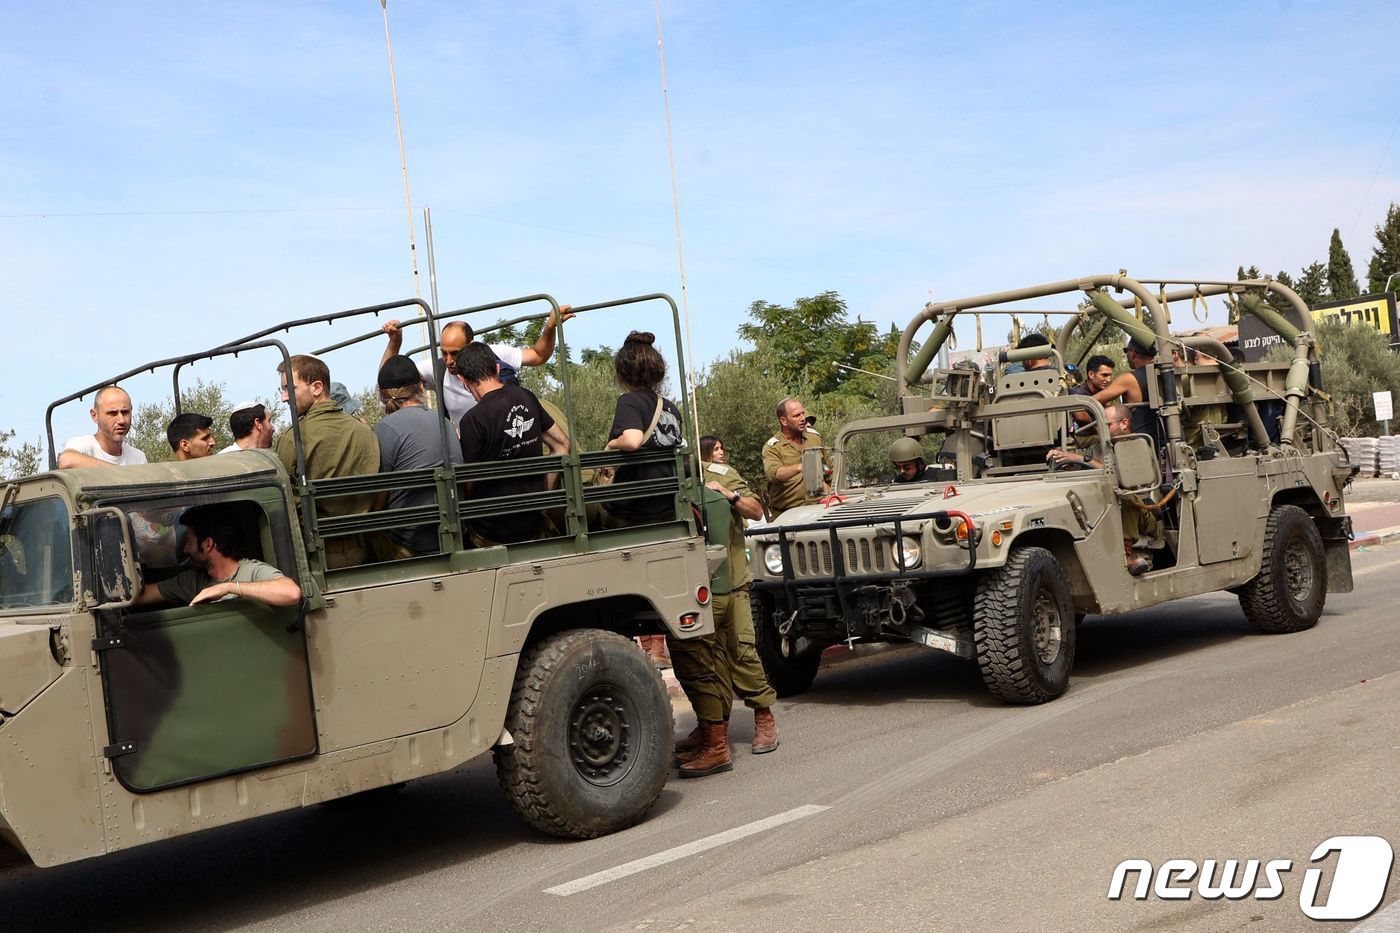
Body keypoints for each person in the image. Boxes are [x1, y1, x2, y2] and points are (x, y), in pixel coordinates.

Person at [670, 452, 779, 777]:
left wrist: (729, 495)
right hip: (706, 586)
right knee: (711, 659)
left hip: (733, 581)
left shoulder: (720, 474)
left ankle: (764, 717)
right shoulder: (678, 478)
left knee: (742, 652)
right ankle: (713, 729)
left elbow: (756, 510)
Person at [379, 306, 574, 426]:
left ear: (471, 345)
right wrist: (395, 342)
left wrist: (550, 326)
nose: (448, 361)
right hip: (468, 452)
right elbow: (389, 380)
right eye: (444, 352)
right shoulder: (437, 369)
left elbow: (538, 355)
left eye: (455, 353)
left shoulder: (495, 354)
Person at [457, 343, 570, 545]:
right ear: (498, 369)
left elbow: (469, 483)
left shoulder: (471, 420)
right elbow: (562, 445)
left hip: (490, 533)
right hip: (532, 526)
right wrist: (542, 498)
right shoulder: (526, 396)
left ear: (463, 380)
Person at [274, 354, 380, 568]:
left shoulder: (293, 438)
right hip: (361, 550)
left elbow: (285, 503)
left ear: (317, 387)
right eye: (282, 390)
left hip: (315, 556)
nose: (284, 398)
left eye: (289, 389)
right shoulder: (364, 432)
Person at [368, 355, 464, 560]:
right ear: (420, 387)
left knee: (369, 538)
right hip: (456, 533)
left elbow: (378, 502)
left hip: (409, 545)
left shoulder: (385, 428)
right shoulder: (443, 421)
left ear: (382, 394)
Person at [1047, 403, 1157, 576]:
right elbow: (1079, 458)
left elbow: (1121, 478)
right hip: (1102, 503)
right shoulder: (1100, 445)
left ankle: (1126, 556)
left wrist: (1083, 458)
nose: (1099, 429)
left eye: (1106, 425)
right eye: (1098, 424)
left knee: (1124, 498)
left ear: (1124, 423)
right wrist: (1061, 456)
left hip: (1140, 509)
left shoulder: (1137, 445)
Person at [131, 504, 302, 608]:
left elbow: (291, 592)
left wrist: (226, 588)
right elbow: (140, 597)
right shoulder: (193, 580)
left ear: (208, 544)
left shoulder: (250, 571)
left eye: (189, 541)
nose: (185, 549)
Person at [600, 332, 685, 526]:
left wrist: (612, 444)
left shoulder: (629, 402)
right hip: (668, 506)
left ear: (622, 372)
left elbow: (632, 440)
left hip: (633, 510)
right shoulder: (670, 407)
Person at [762, 398, 830, 519]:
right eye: (797, 415)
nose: (803, 418)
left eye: (803, 413)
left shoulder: (814, 438)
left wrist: (831, 491)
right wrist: (801, 467)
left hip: (819, 508)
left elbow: (831, 469)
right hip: (788, 514)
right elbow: (775, 474)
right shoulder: (773, 447)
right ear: (783, 421)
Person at [1091, 338, 1162, 447]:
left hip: (1139, 445)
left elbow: (1091, 401)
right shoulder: (1165, 374)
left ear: (1133, 353)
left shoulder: (1129, 379)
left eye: (1126, 351)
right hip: (1164, 440)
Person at [59, 385, 148, 468]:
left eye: (125, 412)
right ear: (95, 415)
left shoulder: (138, 458)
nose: (121, 420)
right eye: (112, 413)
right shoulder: (83, 445)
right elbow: (66, 461)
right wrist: (120, 473)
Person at [1069, 354, 1115, 424]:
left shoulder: (1104, 391)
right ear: (1091, 374)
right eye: (1104, 375)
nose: (1108, 379)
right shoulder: (1079, 394)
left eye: (1109, 375)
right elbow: (1080, 416)